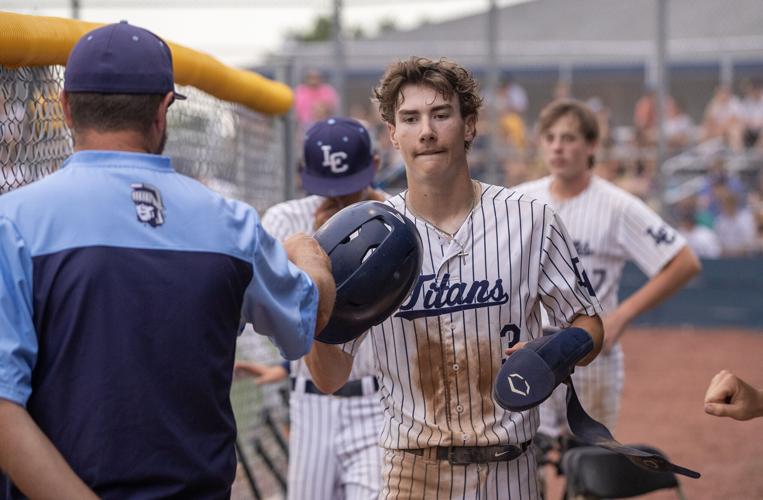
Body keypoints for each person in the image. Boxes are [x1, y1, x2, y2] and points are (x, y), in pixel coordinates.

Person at [0, 22, 335, 499]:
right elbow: (305, 321)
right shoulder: (232, 223)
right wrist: (309, 255)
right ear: (162, 111)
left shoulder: (13, 220)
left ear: (66, 106)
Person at [303, 57, 604, 498]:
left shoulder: (531, 218)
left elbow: (590, 325)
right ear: (392, 134)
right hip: (413, 473)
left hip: (512, 471)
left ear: (469, 125)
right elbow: (328, 378)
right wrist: (316, 302)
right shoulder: (365, 237)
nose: (426, 131)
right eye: (410, 118)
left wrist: (556, 349)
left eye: (441, 114)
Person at [514, 99, 701, 436]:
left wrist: (622, 315)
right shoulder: (519, 200)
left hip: (591, 353)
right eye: (551, 138)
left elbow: (684, 261)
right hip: (531, 350)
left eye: (569, 138)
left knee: (589, 467)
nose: (558, 147)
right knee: (526, 462)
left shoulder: (617, 205)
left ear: (591, 145)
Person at [235, 117, 386, 500]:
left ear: (376, 166)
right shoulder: (286, 218)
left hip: (378, 402)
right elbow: (273, 309)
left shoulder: (393, 222)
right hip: (310, 405)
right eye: (327, 189)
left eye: (349, 188)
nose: (338, 199)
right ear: (304, 176)